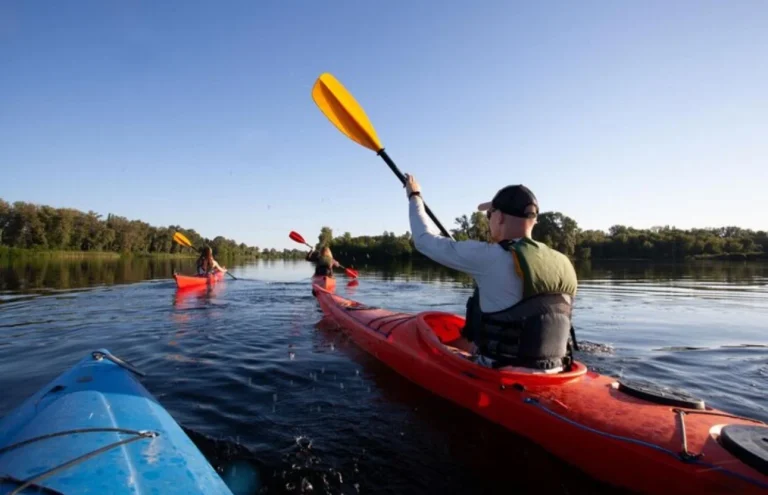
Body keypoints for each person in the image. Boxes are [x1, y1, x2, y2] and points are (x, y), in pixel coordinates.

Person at [404, 174, 578, 373]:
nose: (489, 220)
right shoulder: (563, 262)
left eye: (489, 215)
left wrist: (414, 196)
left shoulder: (491, 256)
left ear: (500, 216)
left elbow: (423, 240)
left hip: (501, 373)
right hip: (557, 370)